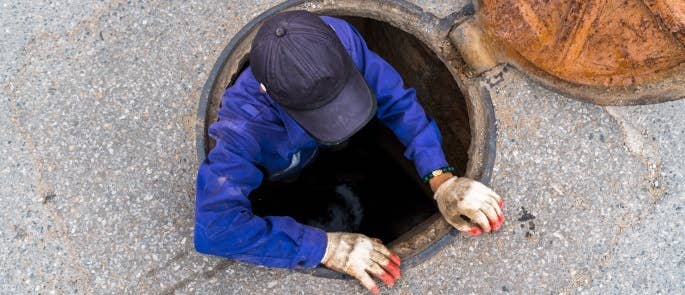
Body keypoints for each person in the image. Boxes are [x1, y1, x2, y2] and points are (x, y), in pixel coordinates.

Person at [194, 10, 505, 293]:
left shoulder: (336, 37)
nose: (339, 117)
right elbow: (217, 228)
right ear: (266, 90)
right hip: (278, 176)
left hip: (321, 153)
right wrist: (325, 248)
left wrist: (441, 179)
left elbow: (397, 102)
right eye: (320, 110)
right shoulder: (243, 127)